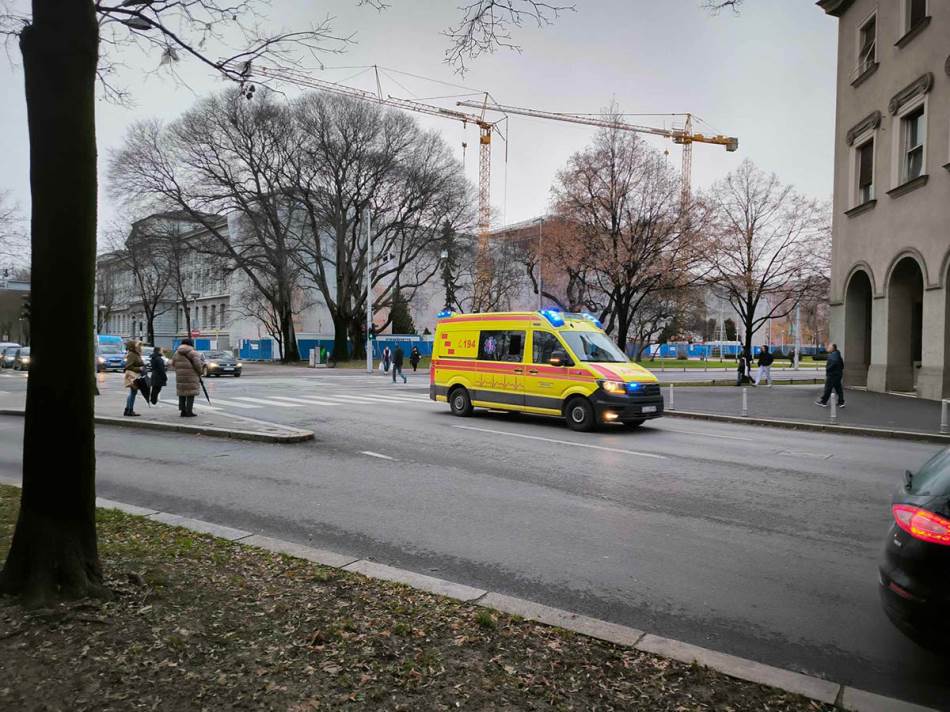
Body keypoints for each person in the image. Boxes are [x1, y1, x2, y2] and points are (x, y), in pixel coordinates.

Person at [172, 338, 203, 417]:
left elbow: (173, 364)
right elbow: (197, 365)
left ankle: (182, 411)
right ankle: (189, 411)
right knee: (190, 394)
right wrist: (200, 372)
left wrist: (179, 370)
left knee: (182, 393)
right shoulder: (193, 352)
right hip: (191, 376)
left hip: (180, 376)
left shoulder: (176, 353)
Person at [816, 343, 845, 409]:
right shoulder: (838, 354)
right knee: (839, 389)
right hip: (838, 375)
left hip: (832, 375)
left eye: (829, 347)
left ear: (833, 348)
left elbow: (833, 363)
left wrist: (828, 369)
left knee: (828, 388)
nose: (827, 348)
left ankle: (823, 402)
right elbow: (842, 365)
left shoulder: (832, 355)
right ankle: (841, 402)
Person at [123, 340, 145, 416]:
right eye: (139, 345)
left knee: (133, 393)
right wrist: (139, 369)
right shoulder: (132, 354)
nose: (140, 347)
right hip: (132, 376)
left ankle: (127, 410)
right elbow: (128, 366)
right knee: (133, 392)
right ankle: (129, 410)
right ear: (134, 347)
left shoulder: (136, 354)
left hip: (135, 376)